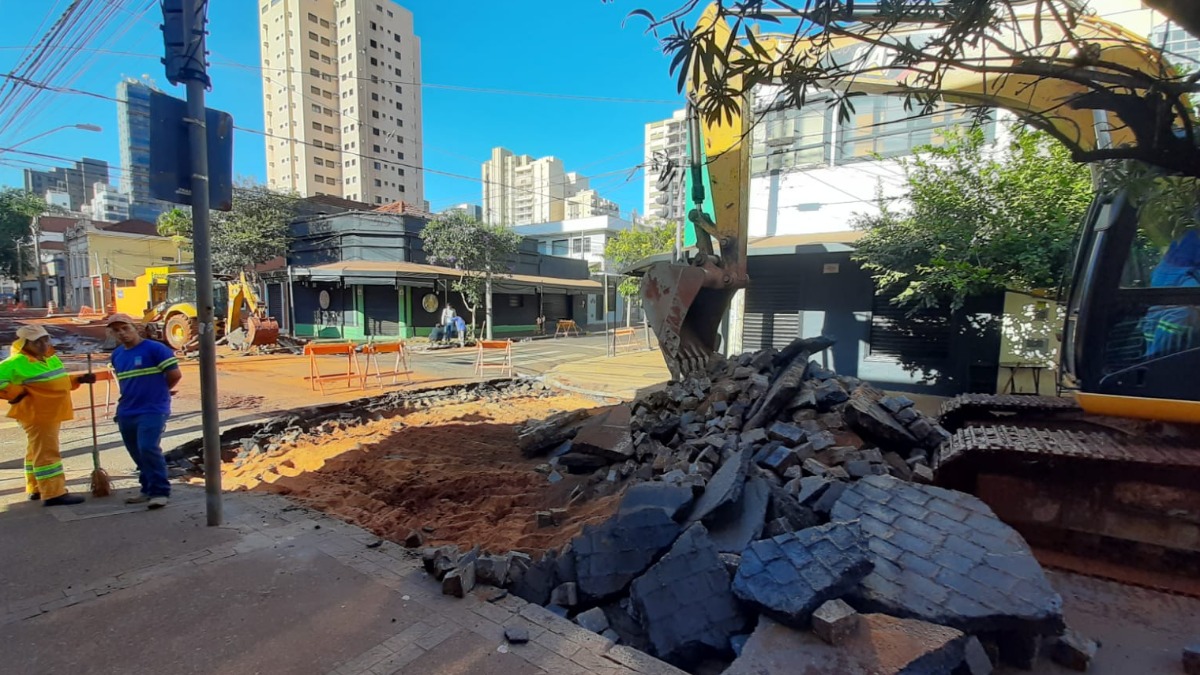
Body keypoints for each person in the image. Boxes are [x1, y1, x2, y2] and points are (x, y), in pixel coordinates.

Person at [0, 324, 94, 506]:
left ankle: (35, 487)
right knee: (47, 453)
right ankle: (53, 493)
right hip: (38, 414)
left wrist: (78, 379)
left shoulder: (50, 359)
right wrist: (14, 393)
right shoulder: (15, 363)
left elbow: (58, 380)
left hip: (51, 413)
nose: (43, 345)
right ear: (24, 343)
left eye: (45, 339)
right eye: (37, 342)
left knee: (35, 450)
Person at [108, 313, 182, 509]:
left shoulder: (155, 349)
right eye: (116, 330)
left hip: (153, 408)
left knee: (148, 447)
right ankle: (147, 489)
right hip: (127, 410)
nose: (122, 333)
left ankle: (160, 492)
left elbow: (174, 374)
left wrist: (159, 392)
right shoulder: (117, 355)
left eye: (125, 328)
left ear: (135, 327)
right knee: (137, 452)